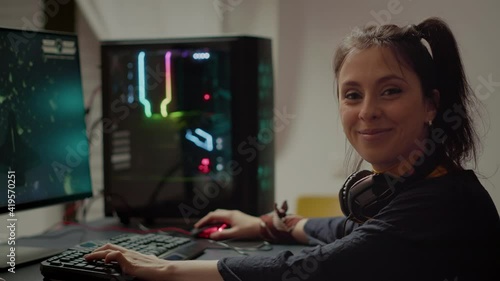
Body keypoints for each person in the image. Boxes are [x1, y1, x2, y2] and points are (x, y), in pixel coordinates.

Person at [85, 17, 500, 281]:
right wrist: (270, 224)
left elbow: (322, 266)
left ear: (431, 104)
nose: (368, 112)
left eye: (390, 91)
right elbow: (348, 230)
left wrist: (168, 268)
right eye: (352, 95)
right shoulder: (418, 183)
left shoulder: (443, 203)